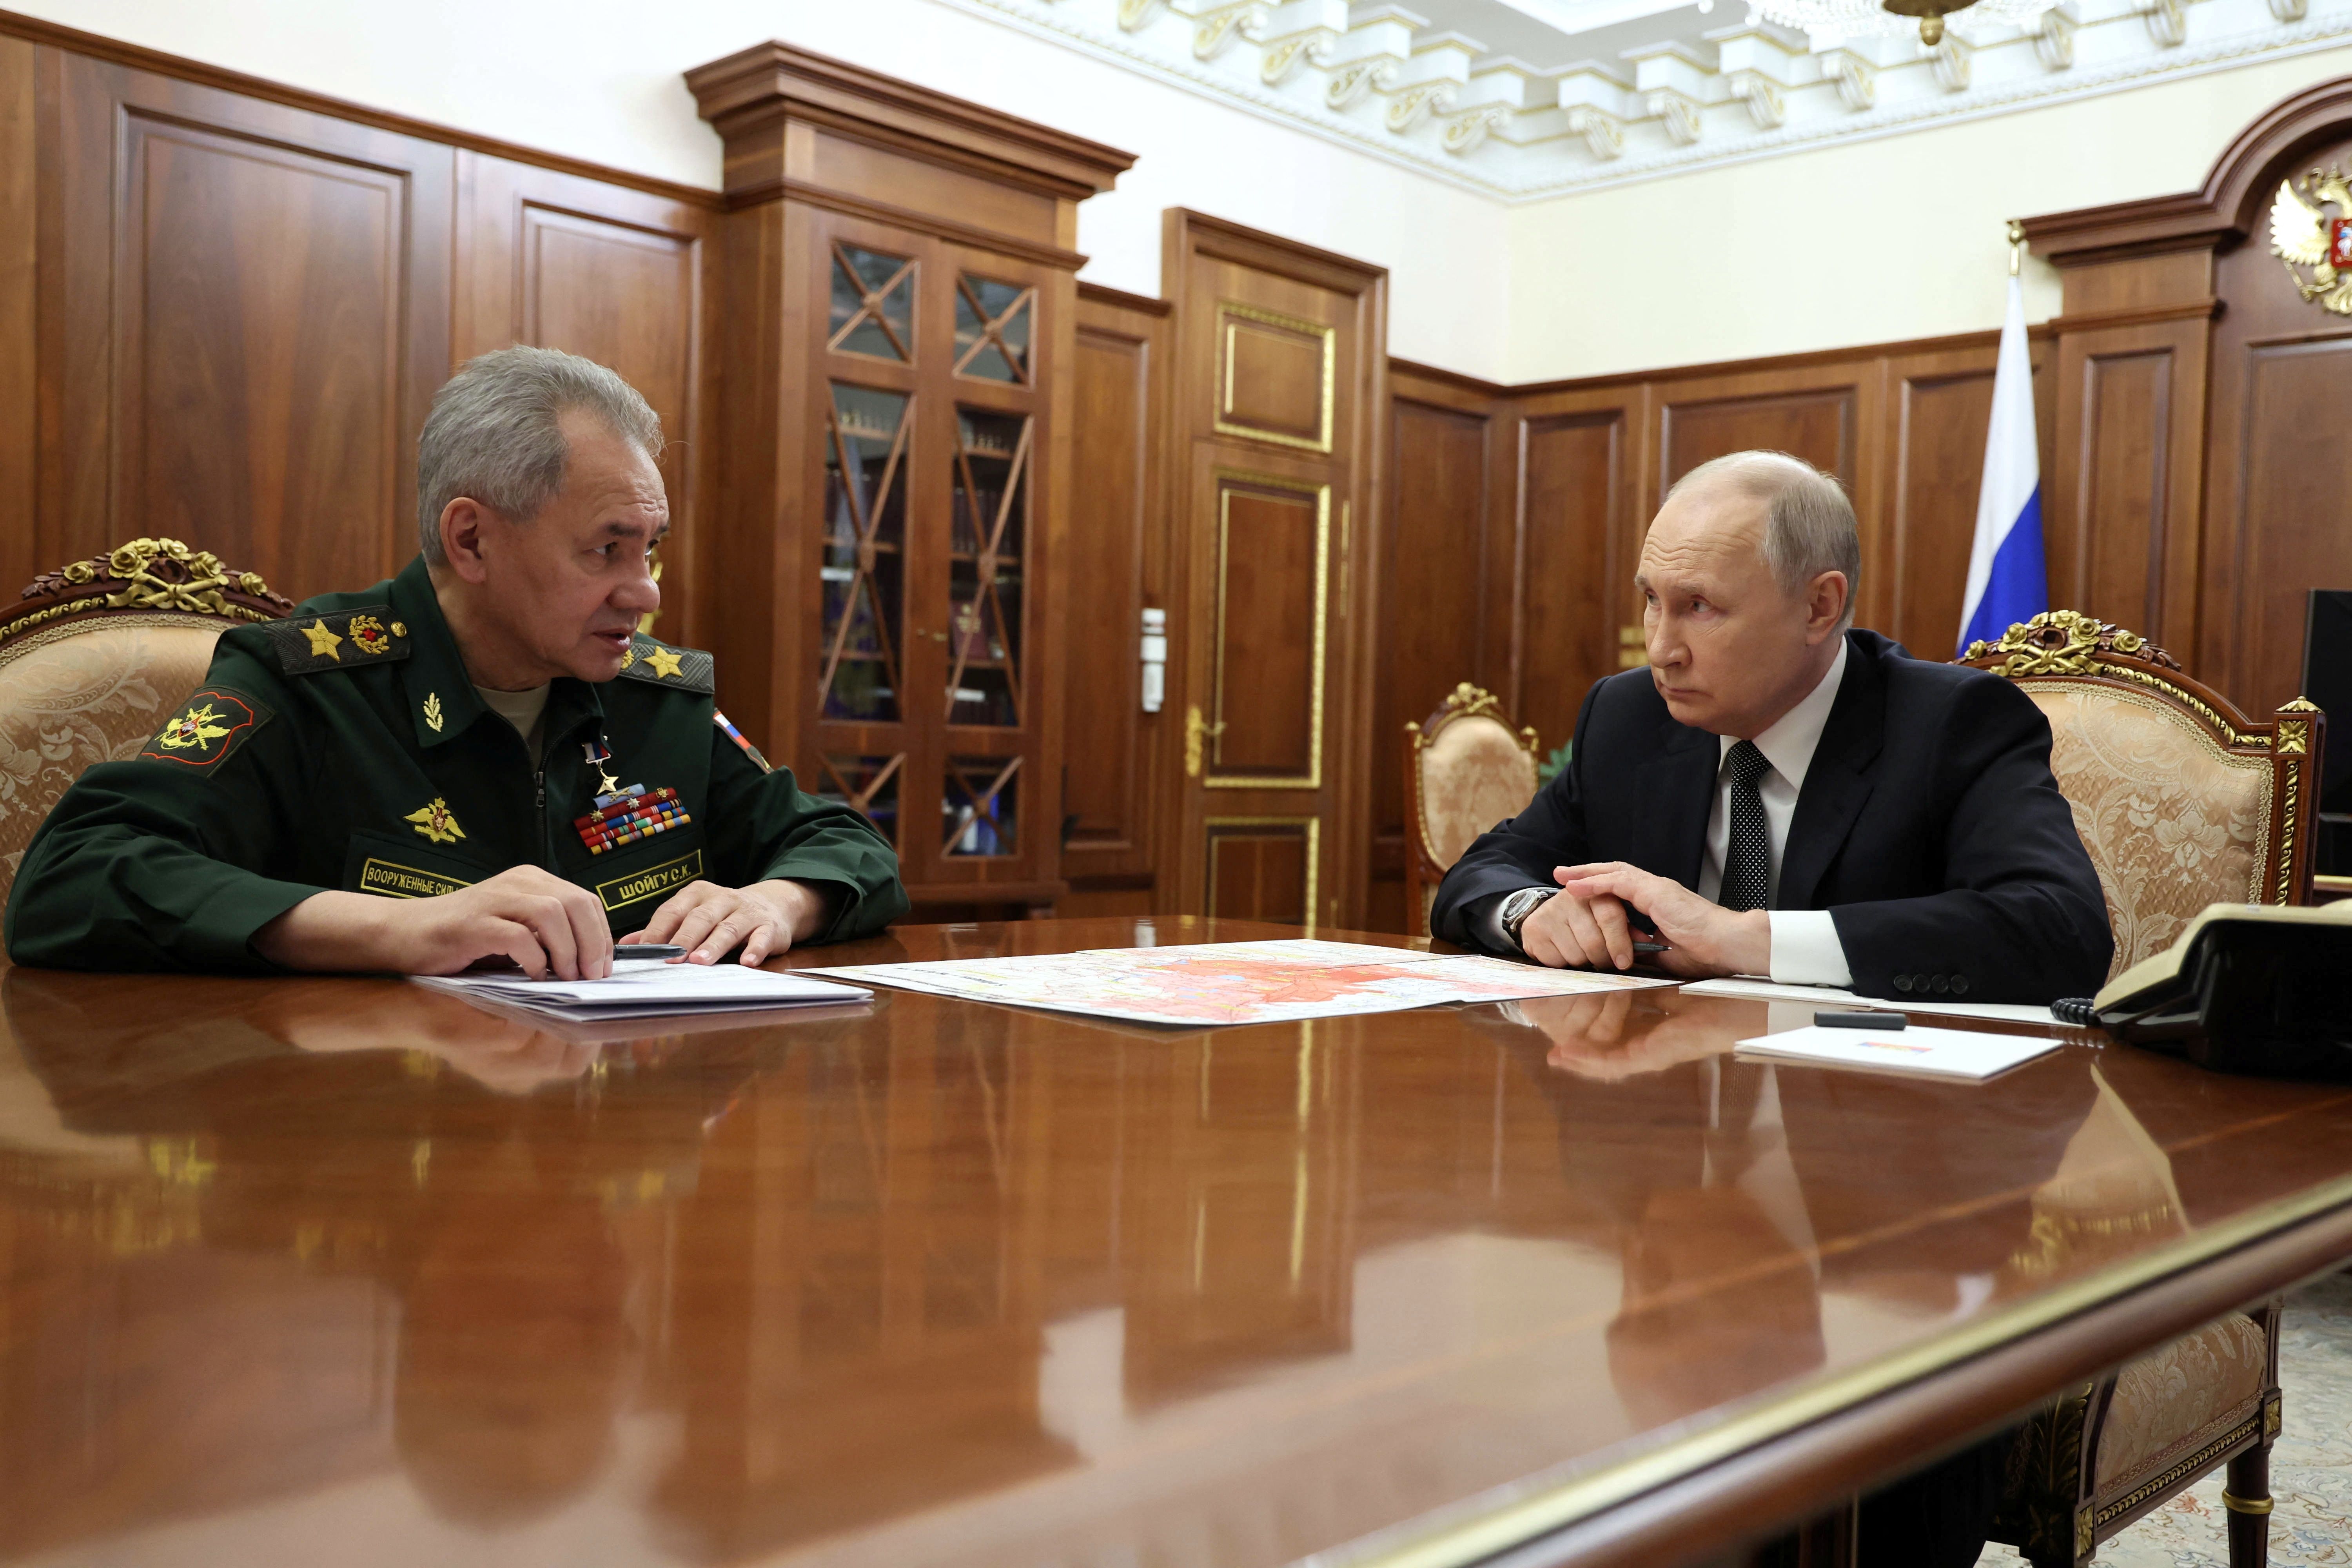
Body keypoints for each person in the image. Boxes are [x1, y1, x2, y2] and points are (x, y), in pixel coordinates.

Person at [4, 346, 906, 976]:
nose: (647, 592)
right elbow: (73, 874)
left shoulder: (649, 699)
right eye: (607, 550)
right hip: (361, 1147)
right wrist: (397, 929)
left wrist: (781, 904)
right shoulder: (311, 685)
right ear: (472, 538)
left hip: (622, 1131)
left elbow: (848, 845)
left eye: (652, 549)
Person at [1434, 449, 2111, 1005]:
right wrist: (1534, 912)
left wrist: (1742, 939)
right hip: (1659, 1115)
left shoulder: (1952, 724)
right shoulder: (1629, 714)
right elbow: (1484, 871)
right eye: (1652, 601)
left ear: (1820, 606)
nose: (1662, 649)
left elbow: (2059, 929)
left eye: (1699, 606)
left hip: (1875, 1128)